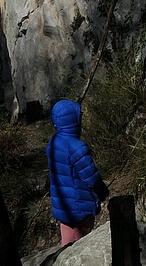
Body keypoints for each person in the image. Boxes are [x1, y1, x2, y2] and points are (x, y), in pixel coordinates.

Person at [46, 99, 109, 246]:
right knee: (81, 247)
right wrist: (103, 192)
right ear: (74, 120)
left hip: (63, 206)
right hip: (79, 206)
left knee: (66, 245)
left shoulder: (54, 142)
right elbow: (91, 178)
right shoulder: (77, 148)